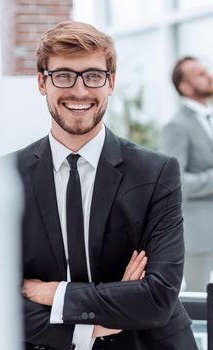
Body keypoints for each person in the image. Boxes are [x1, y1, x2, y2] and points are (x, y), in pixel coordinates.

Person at [12, 22, 197, 350]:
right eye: (64, 75)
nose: (80, 91)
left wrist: (55, 292)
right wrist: (96, 325)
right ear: (42, 82)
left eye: (94, 76)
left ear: (111, 82)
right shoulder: (5, 178)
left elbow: (157, 298)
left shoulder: (156, 174)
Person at [160, 56, 213, 292]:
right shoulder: (175, 125)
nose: (210, 76)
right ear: (185, 87)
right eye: (200, 75)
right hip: (199, 234)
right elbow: (177, 181)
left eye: (206, 71)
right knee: (200, 301)